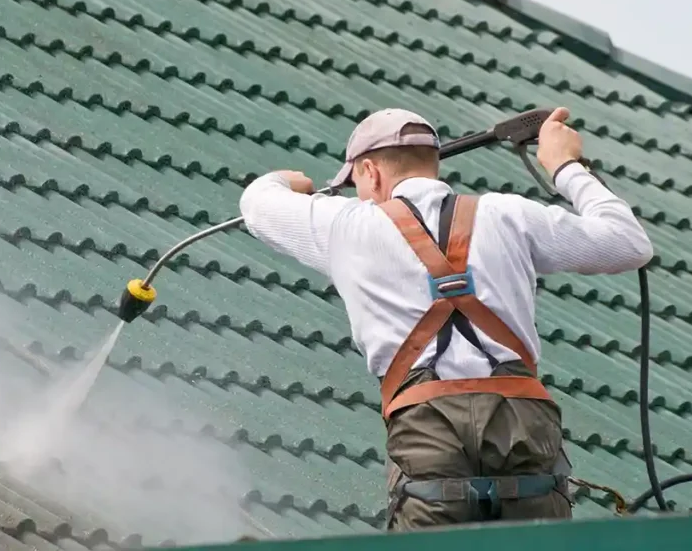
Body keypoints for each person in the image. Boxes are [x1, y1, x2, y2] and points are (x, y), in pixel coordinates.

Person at [238, 106, 654, 530]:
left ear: (370, 171)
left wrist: (292, 182)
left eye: (357, 184)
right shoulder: (509, 214)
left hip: (427, 429)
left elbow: (256, 202)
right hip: (522, 424)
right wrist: (566, 166)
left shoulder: (344, 226)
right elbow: (629, 244)